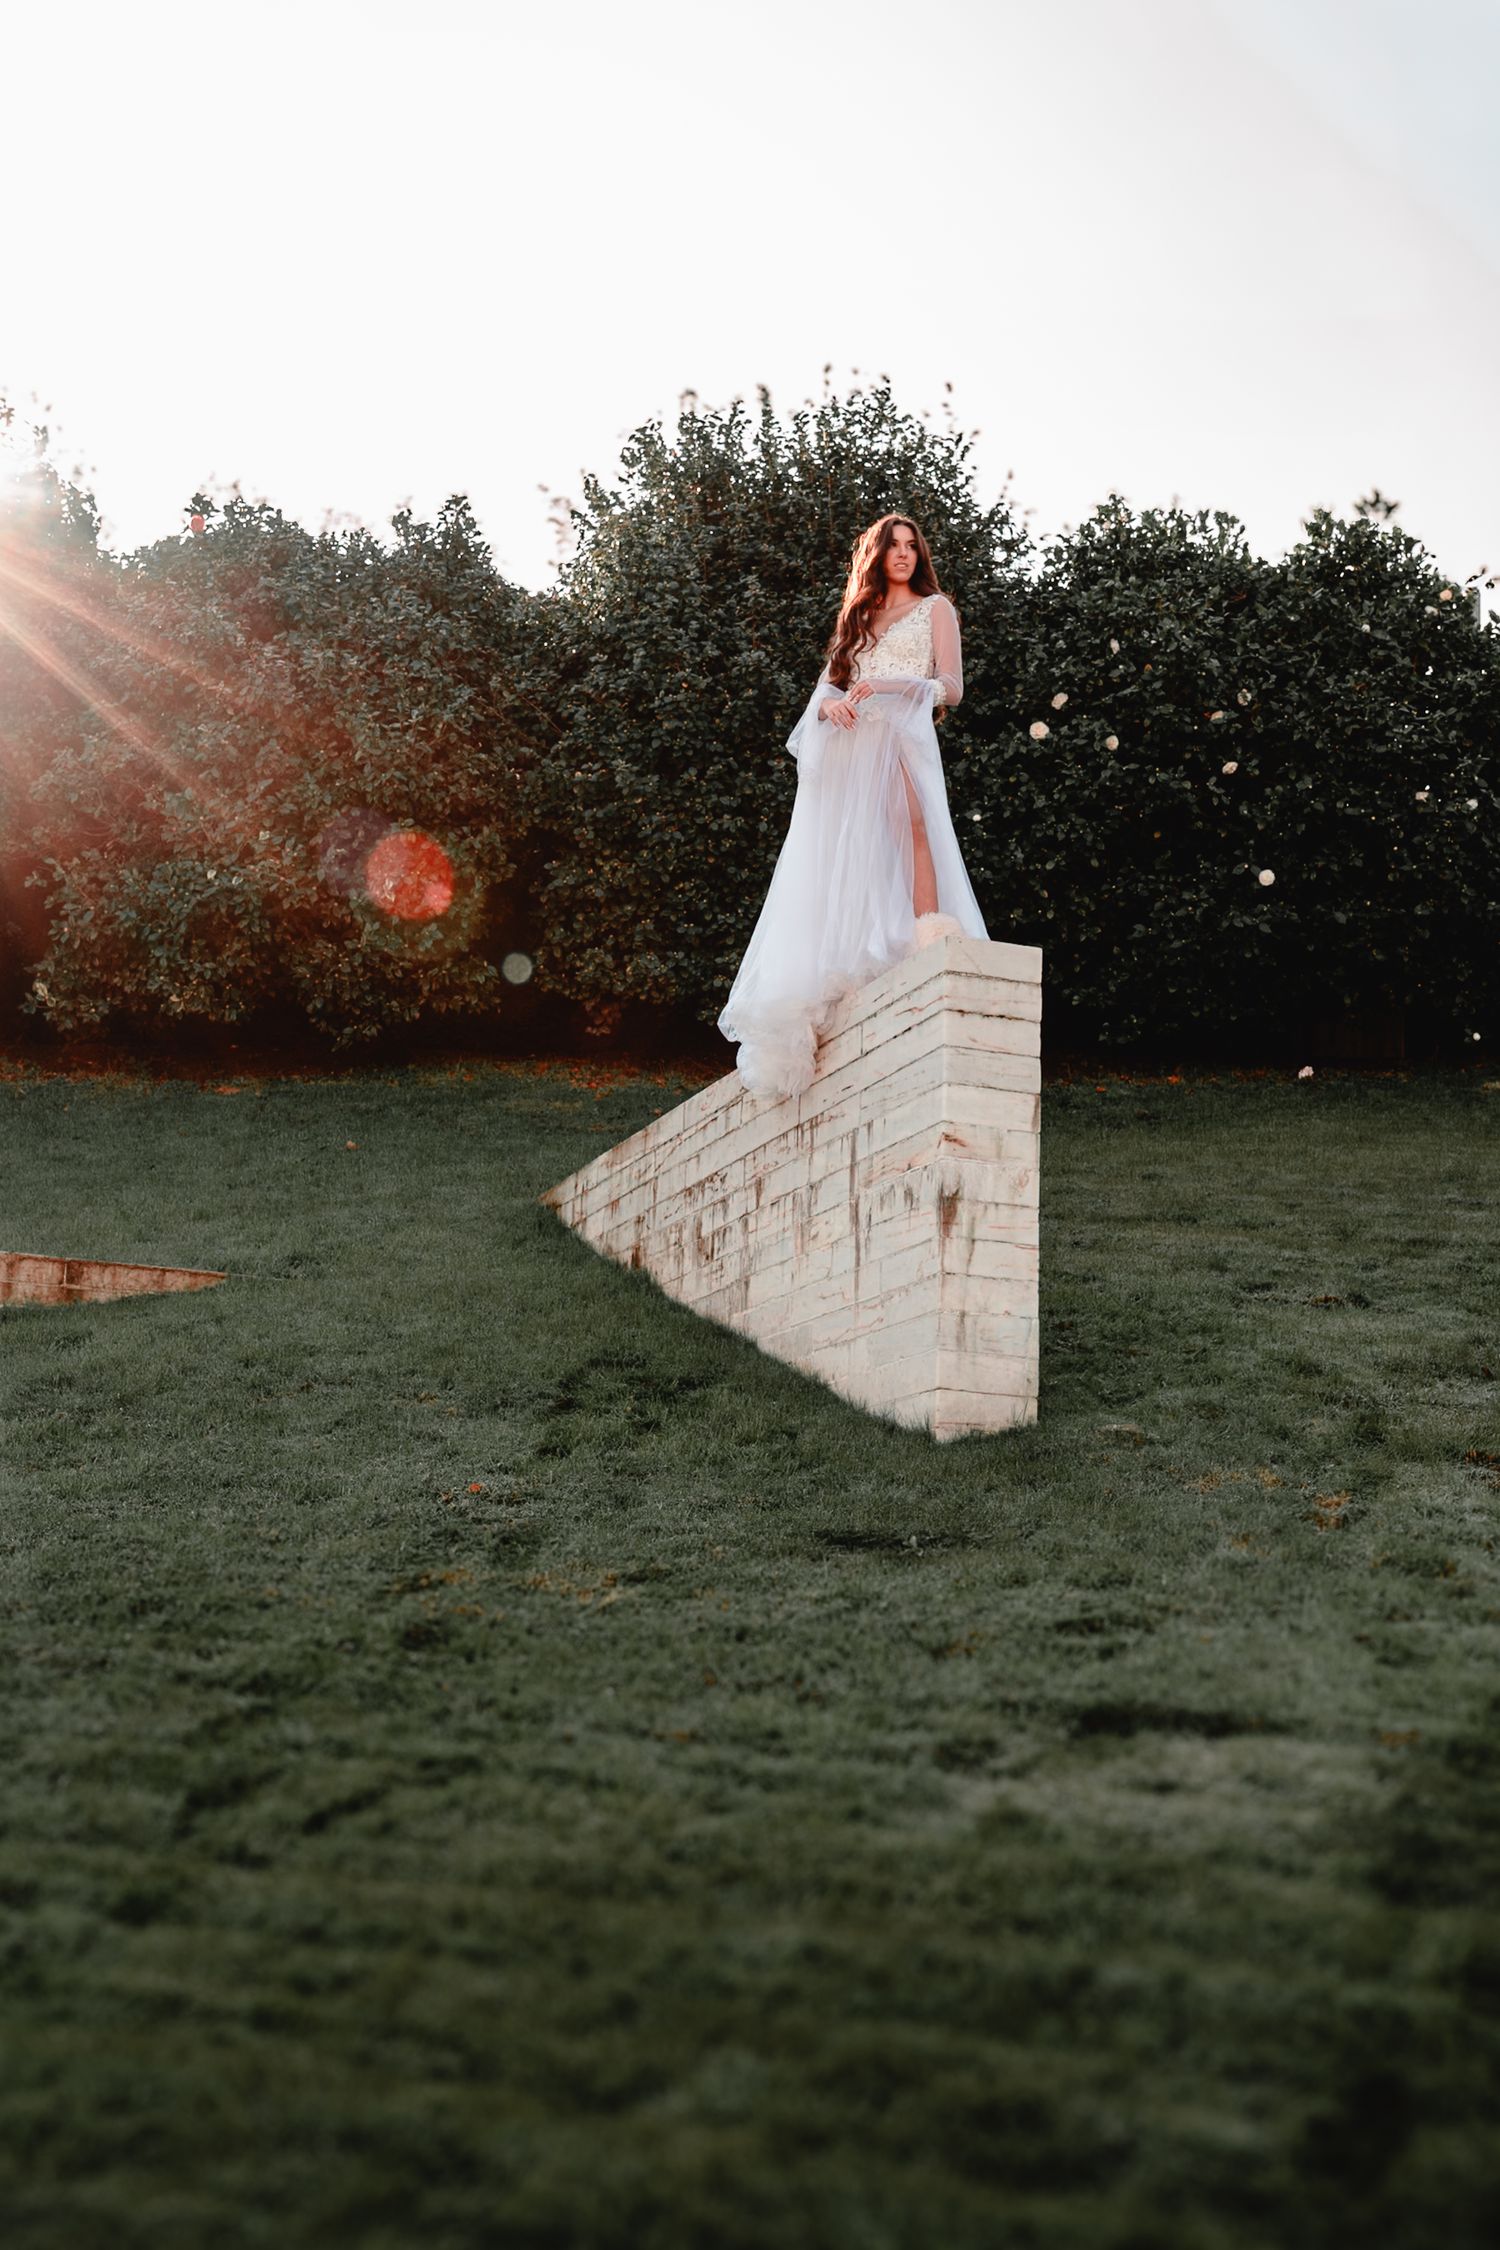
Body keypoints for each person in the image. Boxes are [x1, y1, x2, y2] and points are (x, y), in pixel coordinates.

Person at [717, 513, 989, 1100]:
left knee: (913, 828)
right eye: (892, 547)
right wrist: (828, 709)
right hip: (850, 747)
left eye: (912, 547)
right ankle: (841, 957)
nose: (903, 555)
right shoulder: (859, 616)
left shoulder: (936, 608)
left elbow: (952, 687)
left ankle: (929, 941)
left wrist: (891, 687)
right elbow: (825, 688)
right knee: (846, 851)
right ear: (876, 554)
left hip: (900, 738)